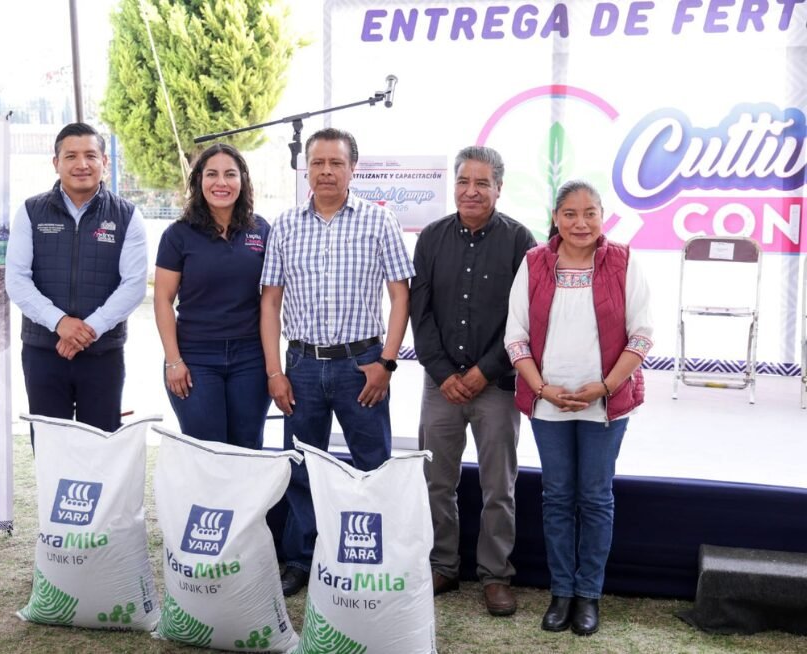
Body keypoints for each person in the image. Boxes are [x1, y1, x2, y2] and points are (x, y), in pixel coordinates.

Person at [261, 127, 414, 596]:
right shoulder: (285, 225)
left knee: (371, 465)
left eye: (336, 163)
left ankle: (371, 557)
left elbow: (400, 296)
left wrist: (386, 363)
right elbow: (270, 303)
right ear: (305, 168)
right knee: (301, 466)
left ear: (353, 168)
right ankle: (301, 559)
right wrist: (275, 372)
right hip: (302, 366)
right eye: (318, 162)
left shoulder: (379, 221)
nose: (326, 171)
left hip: (361, 366)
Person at [505, 180, 652, 636]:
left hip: (604, 405)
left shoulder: (624, 262)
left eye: (590, 213)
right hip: (548, 404)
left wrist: (605, 387)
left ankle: (588, 594)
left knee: (595, 498)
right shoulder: (534, 262)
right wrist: (542, 388)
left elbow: (642, 336)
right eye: (570, 213)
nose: (581, 222)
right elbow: (515, 337)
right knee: (557, 498)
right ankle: (561, 593)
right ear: (555, 217)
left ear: (602, 216)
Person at [410, 146, 536, 615]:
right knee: (435, 482)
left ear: (498, 188)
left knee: (498, 487)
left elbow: (524, 319)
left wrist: (485, 370)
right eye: (464, 181)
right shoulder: (431, 238)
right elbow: (420, 314)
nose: (471, 191)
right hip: (439, 386)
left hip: (496, 386)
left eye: (482, 183)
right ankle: (442, 565)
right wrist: (443, 373)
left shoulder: (521, 241)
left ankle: (495, 574)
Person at [5, 122, 148, 440]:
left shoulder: (127, 215)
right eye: (71, 156)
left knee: (100, 447)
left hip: (103, 354)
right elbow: (16, 280)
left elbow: (134, 285)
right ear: (56, 163)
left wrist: (88, 329)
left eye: (90, 155)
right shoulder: (30, 212)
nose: (82, 164)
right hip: (44, 352)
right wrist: (60, 323)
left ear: (104, 162)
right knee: (50, 444)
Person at [153, 143, 271, 447]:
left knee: (247, 448)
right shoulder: (178, 235)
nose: (221, 183)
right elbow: (163, 300)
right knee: (207, 450)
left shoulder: (261, 230)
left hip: (250, 358)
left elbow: (272, 300)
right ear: (198, 181)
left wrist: (273, 368)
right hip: (195, 357)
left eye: (230, 174)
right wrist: (173, 361)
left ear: (243, 181)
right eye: (212, 174)